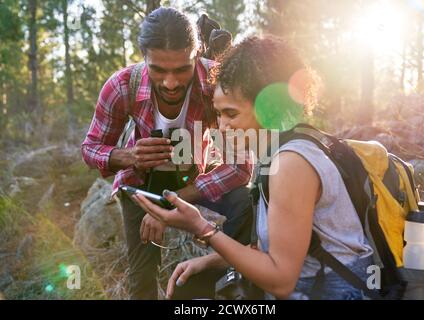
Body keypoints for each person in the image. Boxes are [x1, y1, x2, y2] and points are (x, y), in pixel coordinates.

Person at [132, 35, 375, 300]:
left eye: (231, 114)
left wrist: (202, 228)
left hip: (334, 292)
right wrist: (210, 262)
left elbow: (281, 281)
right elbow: (272, 250)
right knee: (188, 289)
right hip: (313, 284)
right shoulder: (278, 152)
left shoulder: (291, 164)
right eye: (219, 113)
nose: (221, 126)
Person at [81, 7, 253, 300]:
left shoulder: (216, 83)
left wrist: (171, 204)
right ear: (144, 56)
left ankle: (216, 289)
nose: (171, 83)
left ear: (196, 54)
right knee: (142, 277)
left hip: (194, 179)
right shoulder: (122, 86)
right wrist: (129, 156)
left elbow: (239, 168)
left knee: (243, 204)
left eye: (182, 69)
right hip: (140, 183)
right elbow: (90, 149)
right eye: (158, 70)